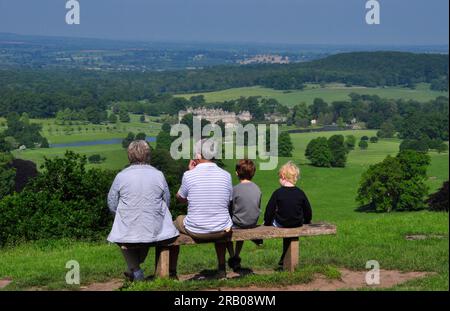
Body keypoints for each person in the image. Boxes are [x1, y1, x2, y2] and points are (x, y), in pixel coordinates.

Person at [107, 140, 179, 281]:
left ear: (129, 156)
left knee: (123, 236)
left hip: (129, 226)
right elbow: (167, 200)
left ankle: (135, 270)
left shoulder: (121, 176)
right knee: (146, 233)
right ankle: (134, 269)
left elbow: (111, 203)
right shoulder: (158, 175)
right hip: (154, 225)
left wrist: (121, 216)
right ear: (148, 155)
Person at [171, 138, 233, 279]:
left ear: (198, 155)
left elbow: (180, 198)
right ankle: (222, 269)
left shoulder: (189, 175)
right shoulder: (226, 176)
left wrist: (190, 172)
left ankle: (172, 272)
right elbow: (228, 200)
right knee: (219, 222)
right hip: (222, 230)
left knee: (174, 224)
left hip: (196, 229)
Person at [263, 161, 312, 267]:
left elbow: (269, 210)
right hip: (297, 223)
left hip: (281, 223)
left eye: (279, 177)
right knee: (290, 226)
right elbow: (308, 211)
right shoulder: (300, 192)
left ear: (283, 176)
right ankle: (285, 258)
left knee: (279, 221)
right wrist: (307, 221)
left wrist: (267, 222)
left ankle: (284, 259)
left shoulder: (277, 193)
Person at [227, 159, 262, 272]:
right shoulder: (257, 189)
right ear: (253, 173)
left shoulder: (235, 189)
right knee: (241, 224)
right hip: (252, 223)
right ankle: (237, 255)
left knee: (226, 228)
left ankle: (232, 256)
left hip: (238, 223)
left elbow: (230, 209)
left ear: (237, 173)